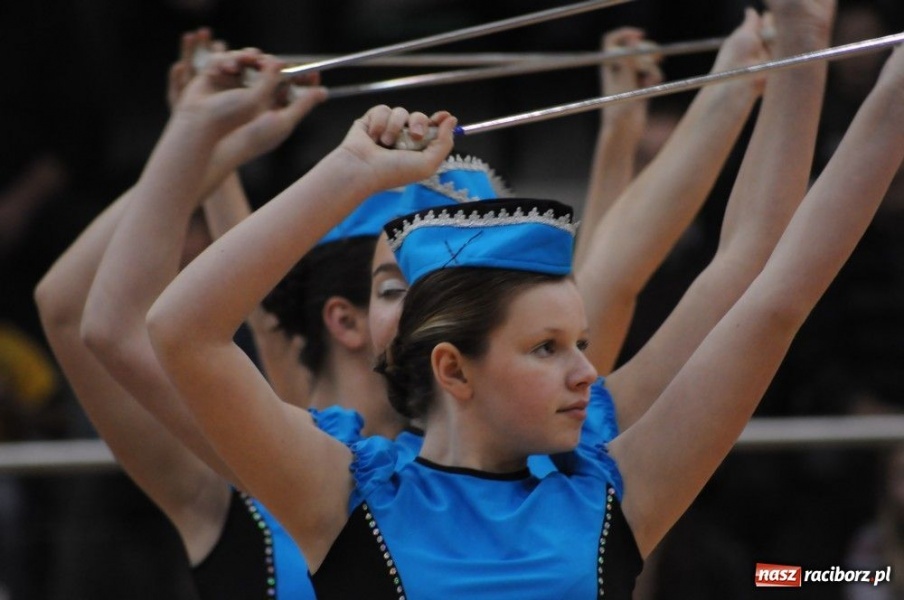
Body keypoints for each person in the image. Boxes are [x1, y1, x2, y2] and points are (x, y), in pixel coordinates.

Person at [147, 0, 902, 592]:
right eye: (548, 349)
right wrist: (348, 172)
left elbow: (769, 290)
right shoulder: (345, 494)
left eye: (575, 342)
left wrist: (808, 36)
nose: (586, 369)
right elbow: (176, 330)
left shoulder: (609, 491)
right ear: (452, 369)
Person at [36, 36, 327, 599]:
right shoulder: (228, 490)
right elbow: (69, 310)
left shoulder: (423, 480)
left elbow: (267, 322)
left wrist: (199, 143)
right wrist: (203, 146)